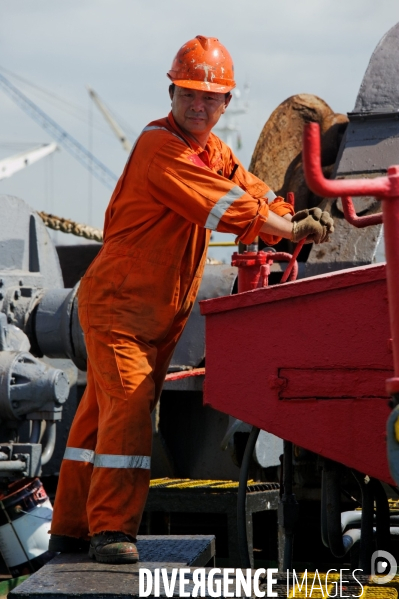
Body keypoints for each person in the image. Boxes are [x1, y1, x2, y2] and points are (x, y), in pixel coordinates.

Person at [49, 35, 333, 564]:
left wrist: (282, 207)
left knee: (95, 422)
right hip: (119, 310)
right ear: (171, 93)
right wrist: (288, 225)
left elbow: (247, 186)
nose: (197, 106)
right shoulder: (161, 148)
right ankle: (110, 532)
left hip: (155, 316)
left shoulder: (213, 152)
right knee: (130, 410)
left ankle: (68, 530)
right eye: (188, 95)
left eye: (210, 98)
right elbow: (225, 206)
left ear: (226, 103)